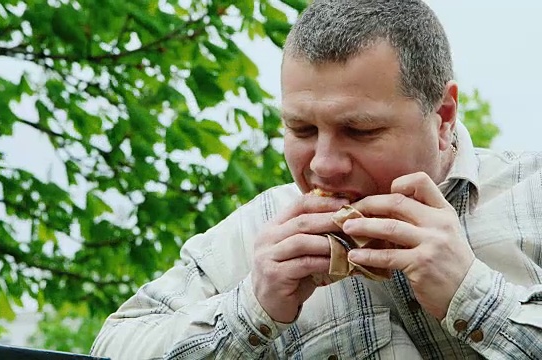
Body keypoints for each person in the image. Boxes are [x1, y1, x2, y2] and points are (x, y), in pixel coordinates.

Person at [91, 0, 542, 358]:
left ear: (442, 116)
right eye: (302, 130)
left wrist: (475, 299)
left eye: (360, 131)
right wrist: (251, 308)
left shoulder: (533, 195)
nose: (323, 165)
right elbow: (112, 347)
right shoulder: (256, 234)